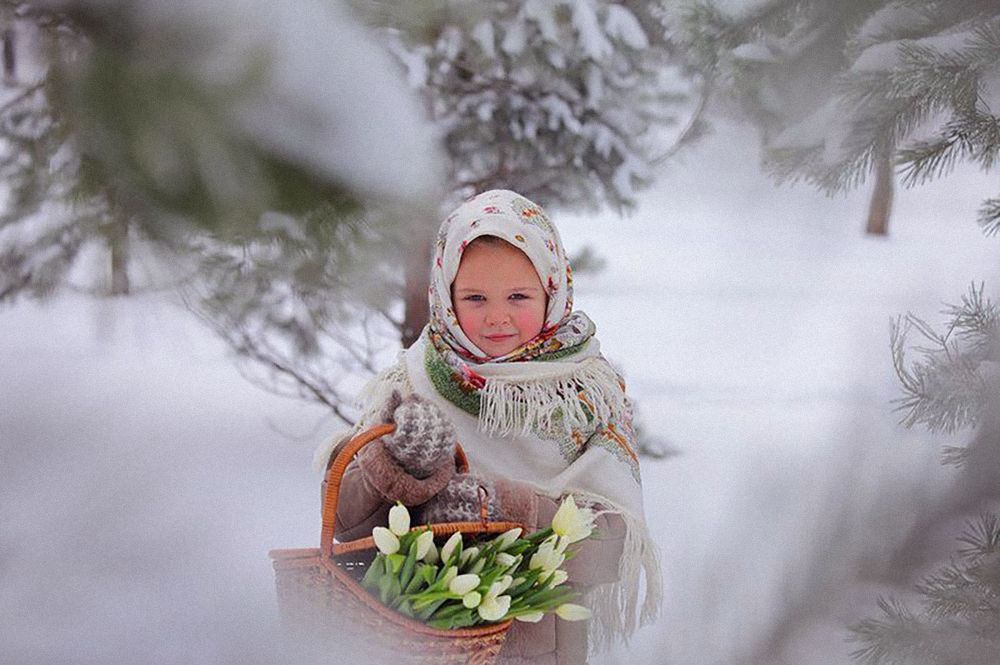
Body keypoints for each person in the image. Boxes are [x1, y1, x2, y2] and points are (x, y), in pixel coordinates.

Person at [315, 189, 661, 664]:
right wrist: (397, 469)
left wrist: (503, 510)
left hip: (542, 644)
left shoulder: (586, 393)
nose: (497, 317)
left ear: (553, 289)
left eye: (518, 296)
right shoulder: (414, 382)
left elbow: (611, 540)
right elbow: (346, 523)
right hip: (414, 639)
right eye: (475, 297)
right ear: (445, 295)